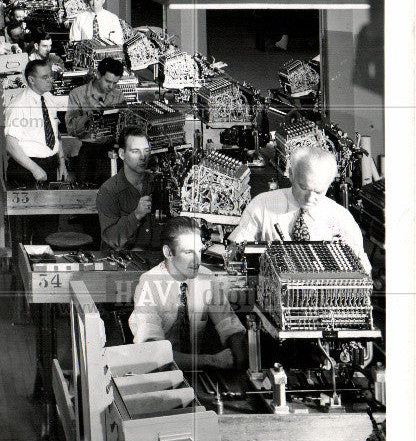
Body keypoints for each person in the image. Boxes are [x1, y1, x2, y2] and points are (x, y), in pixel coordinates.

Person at [128, 217, 248, 372]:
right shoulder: (148, 284)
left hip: (195, 369)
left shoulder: (206, 277)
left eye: (199, 251)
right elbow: (154, 353)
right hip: (157, 371)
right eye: (188, 252)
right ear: (168, 252)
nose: (197, 261)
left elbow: (229, 324)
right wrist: (212, 360)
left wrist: (240, 356)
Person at [229, 146, 370, 272]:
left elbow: (362, 268)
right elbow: (235, 252)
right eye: (303, 188)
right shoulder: (262, 205)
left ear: (329, 183)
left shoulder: (341, 218)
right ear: (291, 174)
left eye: (318, 192)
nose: (309, 198)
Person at [3, 60, 68, 243]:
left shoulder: (48, 98)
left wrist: (61, 162)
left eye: (50, 75)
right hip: (26, 168)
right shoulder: (19, 105)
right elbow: (11, 143)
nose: (51, 80)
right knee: (24, 228)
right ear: (31, 80)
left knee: (48, 225)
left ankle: (43, 261)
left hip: (49, 165)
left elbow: (56, 134)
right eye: (45, 77)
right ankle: (23, 266)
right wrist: (34, 169)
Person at [96, 126, 160, 251]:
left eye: (146, 151)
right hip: (122, 261)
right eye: (135, 151)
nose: (143, 157)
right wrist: (136, 215)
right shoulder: (108, 191)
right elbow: (112, 239)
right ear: (121, 154)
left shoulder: (157, 184)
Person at [66, 57, 125, 184]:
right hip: (88, 152)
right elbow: (71, 129)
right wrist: (90, 114)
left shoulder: (118, 95)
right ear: (98, 74)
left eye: (115, 83)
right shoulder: (77, 94)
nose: (111, 87)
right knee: (85, 194)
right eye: (108, 81)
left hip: (111, 150)